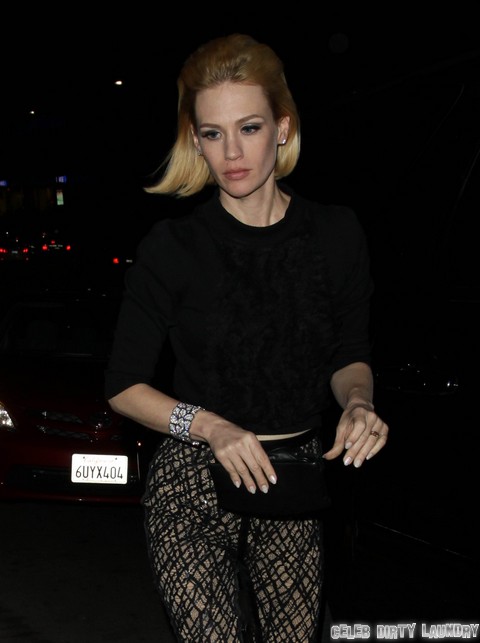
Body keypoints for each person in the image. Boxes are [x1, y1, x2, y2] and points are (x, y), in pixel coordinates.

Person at [104, 33, 389, 643]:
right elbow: (123, 386)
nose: (231, 152)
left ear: (282, 127)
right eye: (213, 133)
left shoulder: (336, 235)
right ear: (196, 141)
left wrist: (358, 402)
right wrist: (212, 427)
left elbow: (349, 355)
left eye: (249, 127)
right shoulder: (173, 248)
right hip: (193, 481)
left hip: (294, 481)